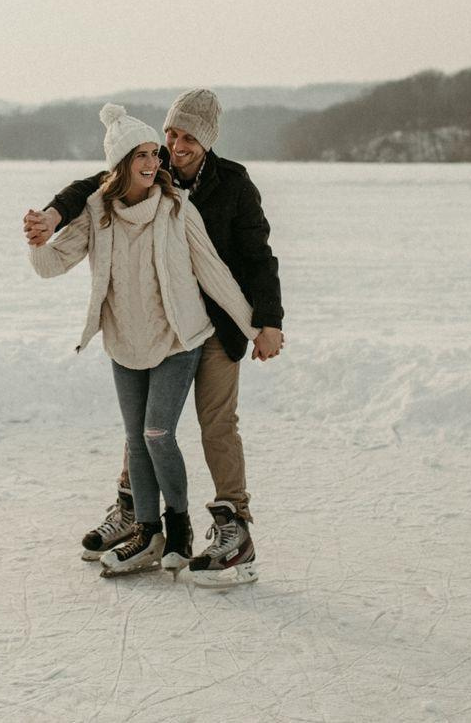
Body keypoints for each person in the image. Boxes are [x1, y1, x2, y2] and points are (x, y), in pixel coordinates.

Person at [25, 89, 284, 586]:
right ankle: (135, 512)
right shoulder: (150, 163)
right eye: (172, 134)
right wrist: (52, 218)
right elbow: (94, 185)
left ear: (207, 142)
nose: (176, 146)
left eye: (189, 139)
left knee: (215, 423)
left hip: (216, 322)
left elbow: (257, 258)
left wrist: (266, 322)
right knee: (143, 426)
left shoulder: (232, 184)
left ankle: (234, 526)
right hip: (155, 321)